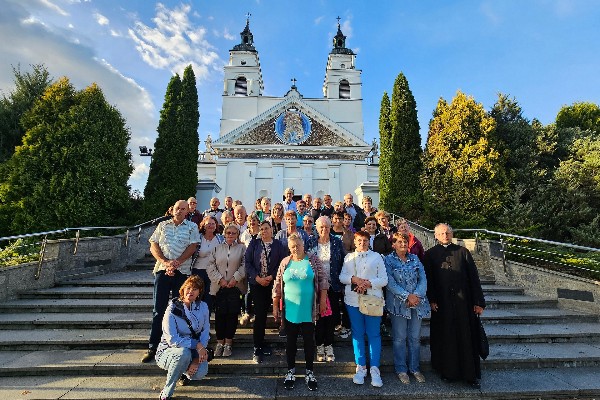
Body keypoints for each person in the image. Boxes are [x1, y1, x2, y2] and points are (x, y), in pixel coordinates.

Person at [424, 223, 486, 388]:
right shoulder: (430, 255)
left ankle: (470, 375)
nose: (445, 235)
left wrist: (478, 302)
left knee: (466, 337)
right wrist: (432, 299)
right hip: (442, 304)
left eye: (448, 232)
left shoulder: (463, 252)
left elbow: (474, 278)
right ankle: (448, 372)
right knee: (446, 337)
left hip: (464, 304)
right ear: (436, 236)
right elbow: (429, 280)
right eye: (442, 233)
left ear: (451, 234)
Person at [142, 200, 201, 363]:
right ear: (172, 210)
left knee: (179, 311)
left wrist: (177, 262)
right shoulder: (163, 225)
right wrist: (166, 262)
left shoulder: (192, 227)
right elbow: (153, 245)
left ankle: (177, 346)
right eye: (177, 209)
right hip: (163, 270)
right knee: (158, 310)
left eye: (183, 209)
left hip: (182, 272)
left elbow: (193, 246)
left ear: (187, 211)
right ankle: (153, 346)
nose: (180, 211)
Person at [273, 233, 328, 391]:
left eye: (298, 245)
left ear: (303, 246)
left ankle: (309, 372)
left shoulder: (312, 260)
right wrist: (276, 306)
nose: (295, 249)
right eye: (292, 247)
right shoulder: (285, 262)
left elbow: (323, 280)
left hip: (308, 310)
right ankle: (291, 371)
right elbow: (277, 285)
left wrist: (323, 301)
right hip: (290, 310)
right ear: (289, 248)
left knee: (309, 342)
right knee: (290, 342)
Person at [339, 231, 388, 388]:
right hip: (353, 300)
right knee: (357, 333)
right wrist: (353, 279)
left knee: (374, 334)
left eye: (365, 240)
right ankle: (361, 367)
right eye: (359, 240)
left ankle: (374, 368)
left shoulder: (377, 257)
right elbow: (342, 277)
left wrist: (367, 283)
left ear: (369, 241)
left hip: (372, 300)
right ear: (355, 241)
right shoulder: (348, 257)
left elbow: (384, 280)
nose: (362, 243)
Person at [384, 232, 430, 385]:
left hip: (417, 303)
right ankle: (401, 369)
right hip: (399, 305)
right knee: (399, 338)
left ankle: (415, 368)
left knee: (415, 338)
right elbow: (390, 282)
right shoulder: (388, 260)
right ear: (393, 244)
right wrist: (406, 296)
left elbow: (423, 279)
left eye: (405, 242)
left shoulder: (415, 259)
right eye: (399, 242)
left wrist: (416, 295)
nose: (403, 244)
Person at [155, 275, 210, 399]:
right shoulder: (172, 309)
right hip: (169, 351)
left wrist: (197, 359)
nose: (191, 291)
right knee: (183, 353)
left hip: (193, 351)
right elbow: (172, 339)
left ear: (199, 292)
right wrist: (196, 345)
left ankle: (181, 371)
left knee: (200, 373)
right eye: (188, 288)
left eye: (195, 289)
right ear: (183, 289)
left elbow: (205, 332)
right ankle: (167, 390)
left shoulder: (203, 307)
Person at [245, 220, 286, 363]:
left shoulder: (278, 245)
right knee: (260, 315)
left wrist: (271, 276)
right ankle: (257, 346)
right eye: (261, 229)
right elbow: (247, 262)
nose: (263, 231)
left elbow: (282, 263)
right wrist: (257, 278)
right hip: (257, 284)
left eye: (266, 228)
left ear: (271, 230)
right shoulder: (254, 243)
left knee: (278, 311)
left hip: (273, 284)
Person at [307, 216, 346, 363]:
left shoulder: (336, 242)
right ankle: (319, 345)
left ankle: (329, 345)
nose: (324, 230)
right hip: (315, 286)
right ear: (317, 228)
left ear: (331, 227)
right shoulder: (310, 242)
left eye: (327, 227)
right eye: (321, 227)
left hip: (333, 285)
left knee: (330, 317)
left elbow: (342, 261)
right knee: (318, 317)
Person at [206, 224, 246, 358]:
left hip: (235, 287)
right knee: (220, 316)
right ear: (224, 234)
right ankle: (220, 343)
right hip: (219, 288)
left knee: (232, 316)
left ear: (237, 235)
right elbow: (210, 265)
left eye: (234, 233)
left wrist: (235, 278)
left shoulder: (242, 248)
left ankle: (228, 343)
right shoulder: (216, 248)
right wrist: (220, 280)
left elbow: (245, 265)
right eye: (228, 232)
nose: (230, 235)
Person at [191, 216, 224, 312]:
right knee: (197, 297)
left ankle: (206, 322)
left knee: (209, 299)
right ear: (203, 225)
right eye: (208, 223)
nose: (211, 226)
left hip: (213, 272)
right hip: (198, 271)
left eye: (213, 224)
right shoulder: (198, 238)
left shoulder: (220, 239)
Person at [238, 212, 260, 326]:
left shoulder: (261, 233)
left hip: (259, 264)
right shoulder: (245, 234)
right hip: (247, 263)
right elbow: (242, 247)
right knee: (247, 289)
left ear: (257, 221)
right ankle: (246, 312)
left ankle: (256, 312)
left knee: (255, 289)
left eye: (254, 220)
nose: (252, 222)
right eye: (250, 220)